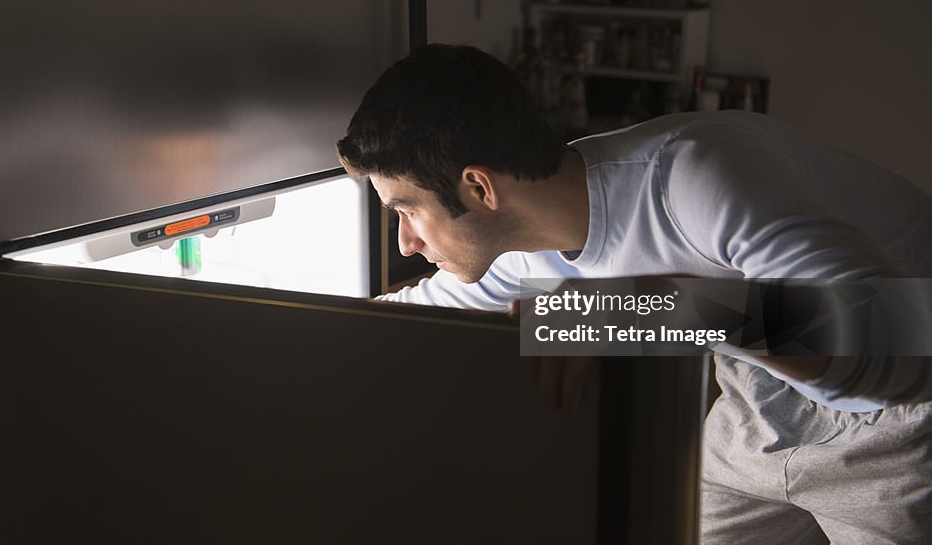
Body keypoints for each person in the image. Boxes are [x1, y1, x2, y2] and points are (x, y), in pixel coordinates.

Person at [336, 43, 932, 544]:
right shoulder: (522, 242)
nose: (406, 242)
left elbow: (891, 348)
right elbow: (410, 315)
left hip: (907, 414)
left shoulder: (699, 174)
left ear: (477, 187)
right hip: (760, 401)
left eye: (406, 210)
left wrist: (638, 308)